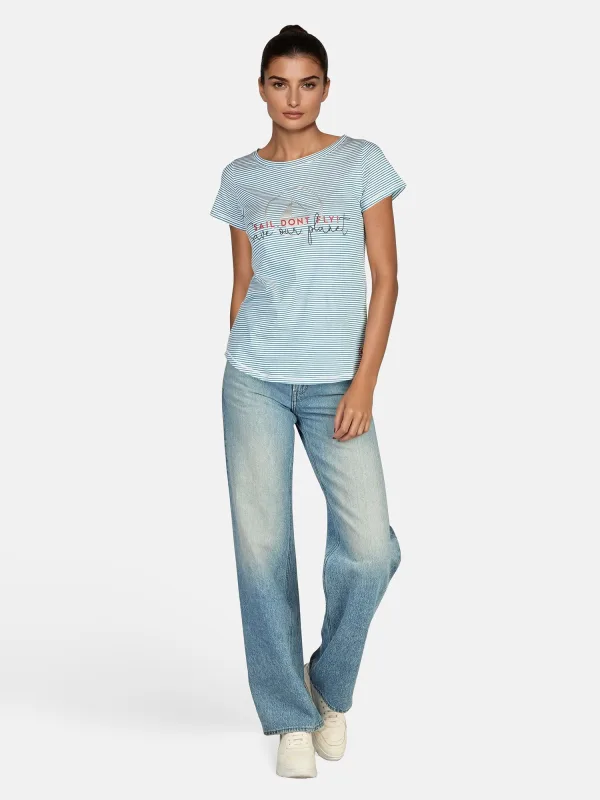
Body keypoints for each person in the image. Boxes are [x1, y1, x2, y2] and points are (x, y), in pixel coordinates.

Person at [210, 24, 407, 779]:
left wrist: (364, 383)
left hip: (337, 384)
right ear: (261, 89)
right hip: (253, 380)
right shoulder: (240, 177)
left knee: (371, 550)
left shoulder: (361, 161)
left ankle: (329, 685)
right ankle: (291, 717)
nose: (294, 97)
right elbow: (242, 282)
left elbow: (387, 280)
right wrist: (242, 353)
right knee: (262, 550)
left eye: (308, 83)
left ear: (326, 88)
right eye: (280, 83)